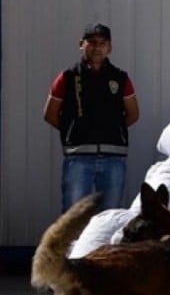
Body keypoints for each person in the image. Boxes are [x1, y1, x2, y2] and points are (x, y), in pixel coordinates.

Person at [43, 23, 140, 212]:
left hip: (114, 159)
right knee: (73, 218)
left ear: (109, 48)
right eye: (92, 42)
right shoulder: (67, 77)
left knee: (109, 219)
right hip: (78, 159)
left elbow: (133, 114)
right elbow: (50, 114)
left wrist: (112, 130)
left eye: (103, 43)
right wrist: (75, 132)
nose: (97, 47)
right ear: (81, 44)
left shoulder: (120, 78)